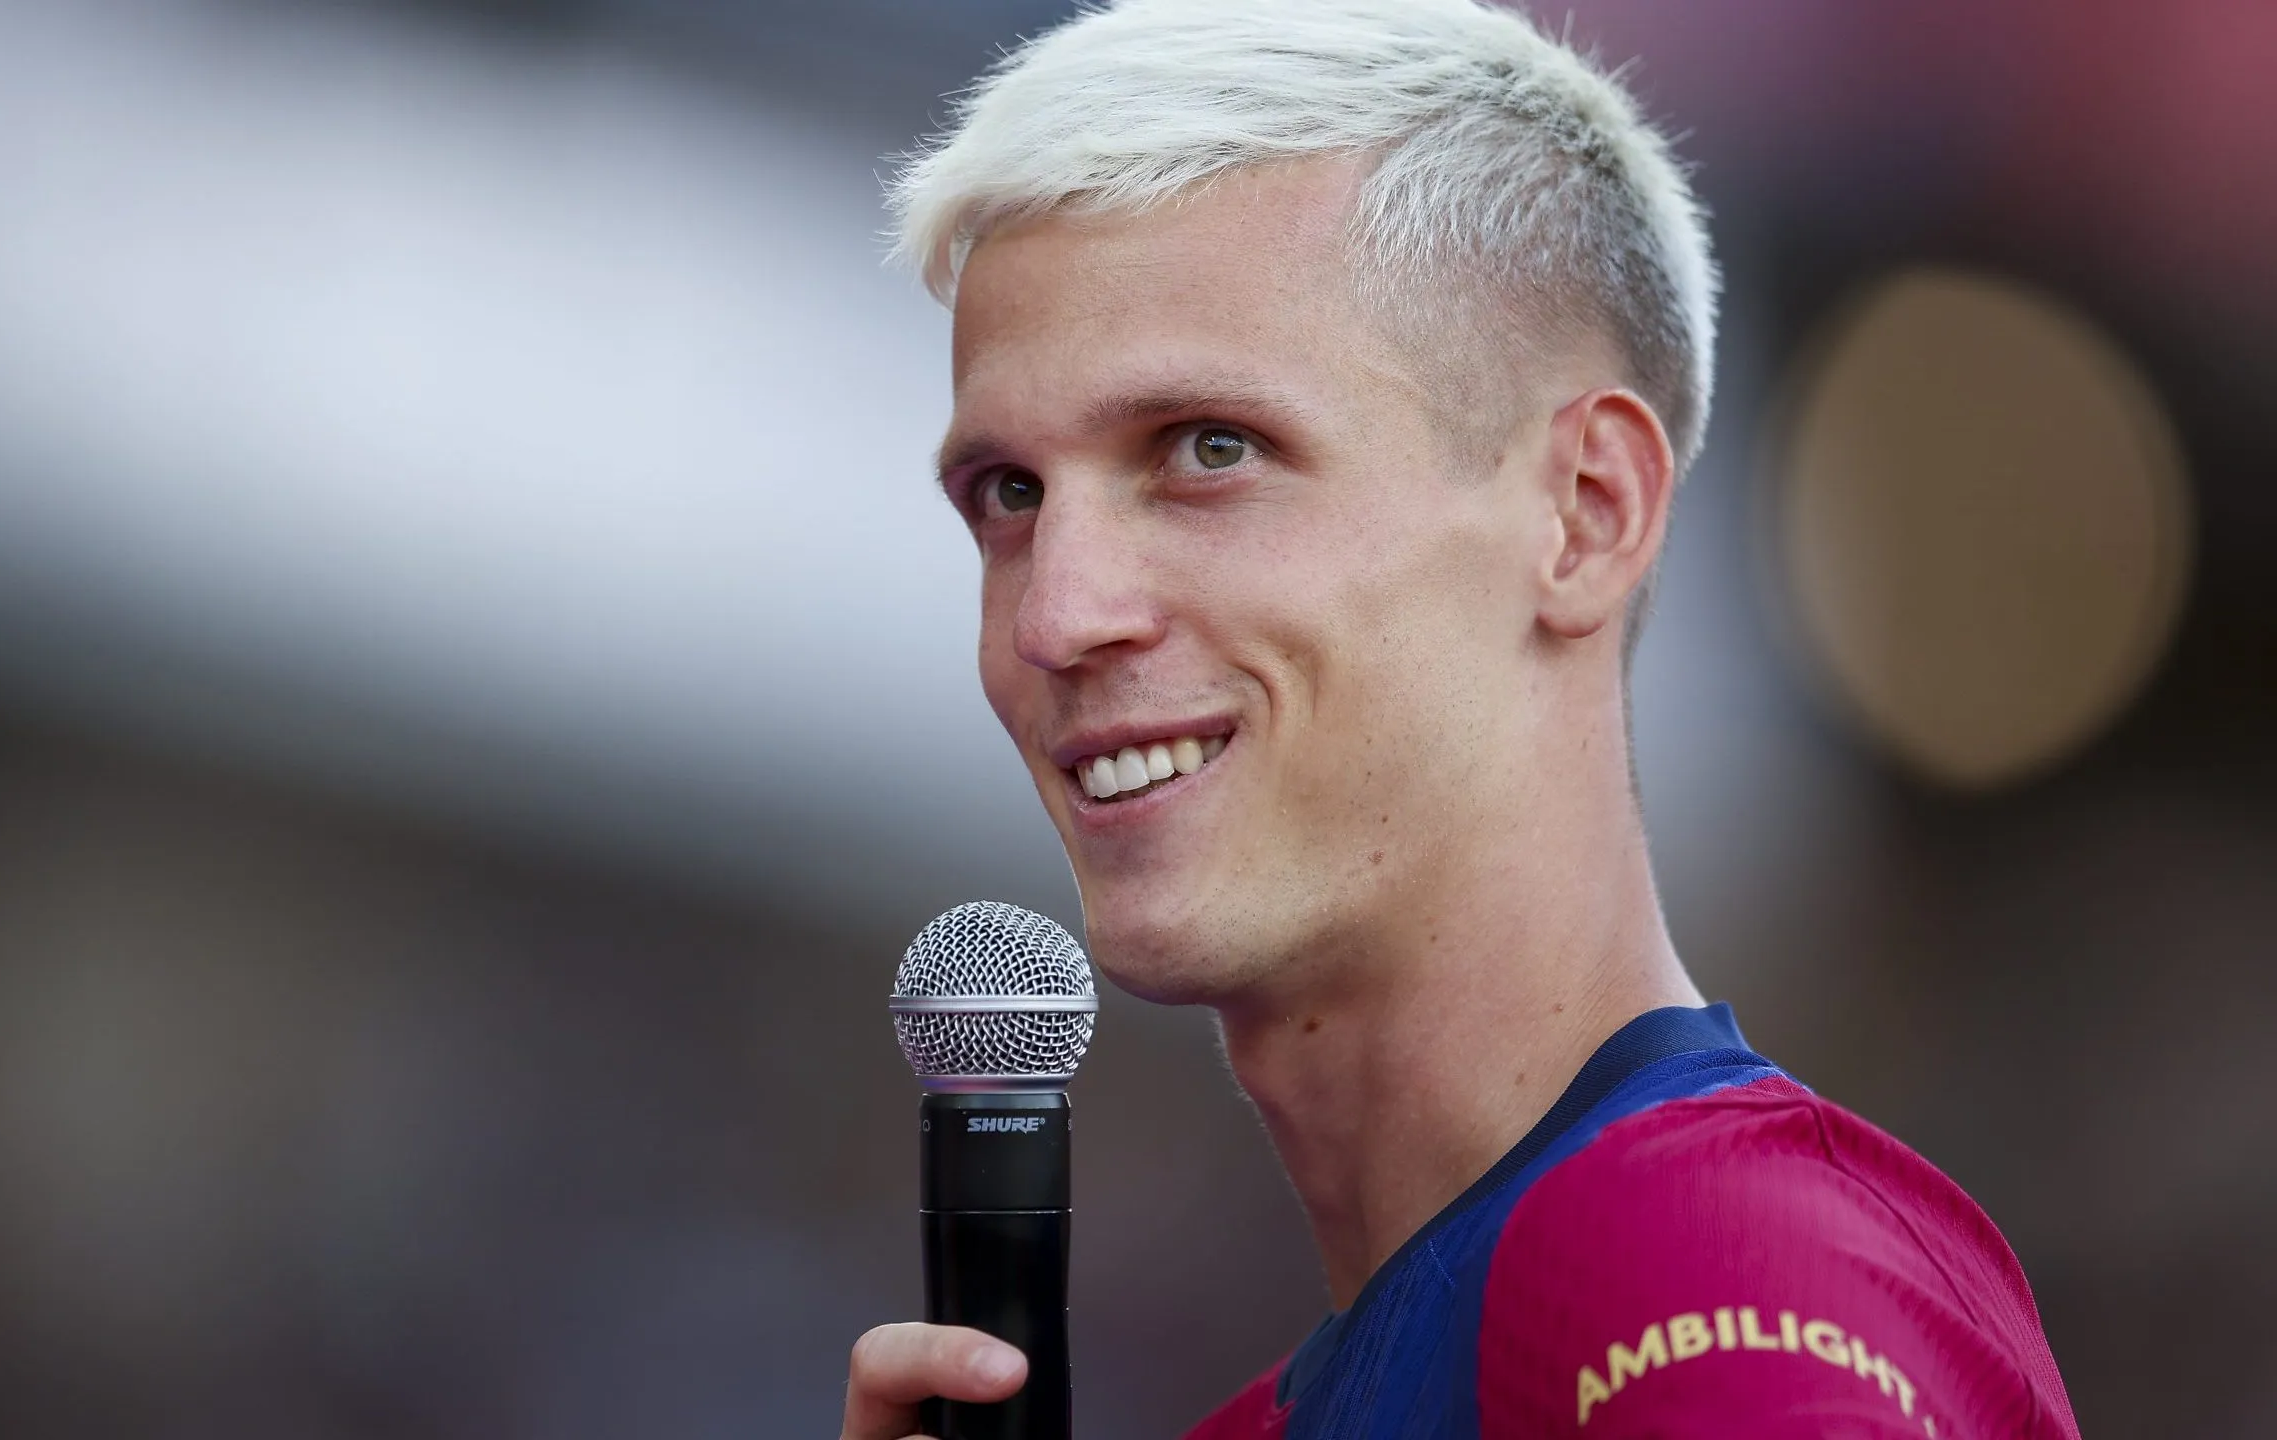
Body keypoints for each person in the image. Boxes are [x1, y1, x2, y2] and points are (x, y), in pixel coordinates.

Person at [841, 1, 2080, 1435]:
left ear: (1584, 515)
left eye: (1208, 451)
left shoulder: (1701, 1268)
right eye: (1009, 495)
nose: (1056, 616)